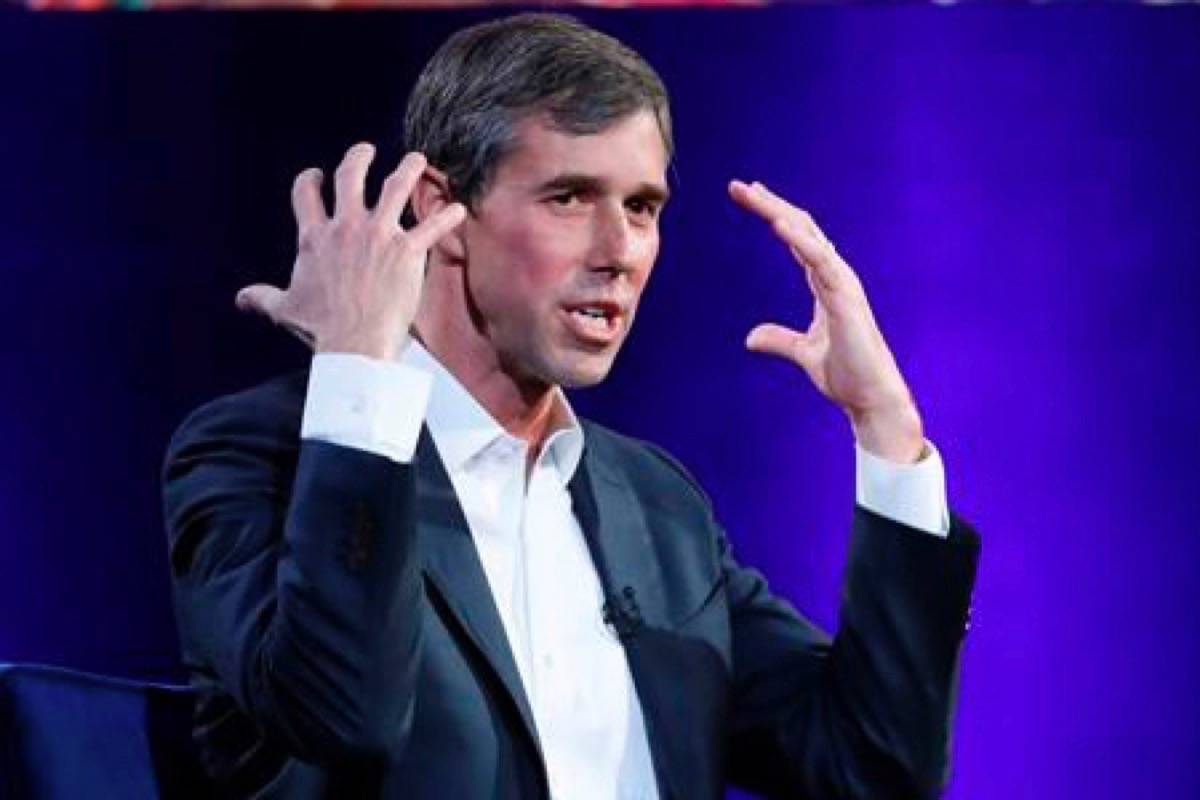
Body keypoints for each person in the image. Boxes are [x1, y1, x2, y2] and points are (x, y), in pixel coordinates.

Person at [163, 13, 979, 800]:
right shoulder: (262, 455)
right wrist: (357, 381)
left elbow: (873, 766)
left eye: (642, 208)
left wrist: (889, 432)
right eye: (569, 197)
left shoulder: (656, 508)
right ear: (439, 212)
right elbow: (342, 716)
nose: (618, 251)